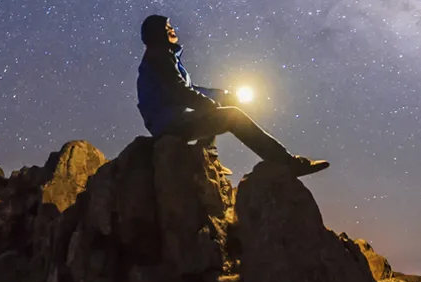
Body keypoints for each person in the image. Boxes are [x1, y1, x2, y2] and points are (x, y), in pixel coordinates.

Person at [135, 14, 329, 176]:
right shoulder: (160, 57)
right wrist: (211, 105)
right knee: (232, 116)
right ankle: (286, 163)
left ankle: (208, 156)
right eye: (167, 26)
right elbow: (180, 92)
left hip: (169, 120)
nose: (172, 29)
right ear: (158, 33)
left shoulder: (161, 57)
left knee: (213, 106)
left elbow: (188, 88)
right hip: (169, 124)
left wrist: (222, 95)